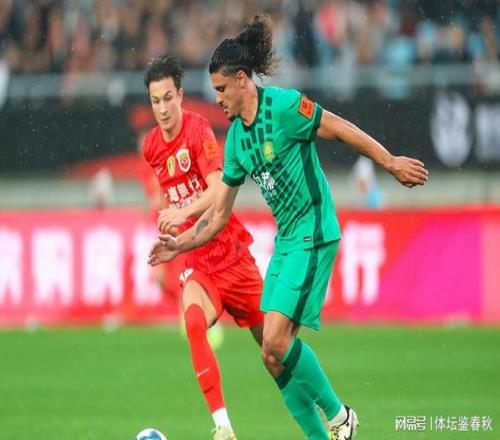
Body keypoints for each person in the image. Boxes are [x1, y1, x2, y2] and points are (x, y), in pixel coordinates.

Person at [148, 16, 428, 440]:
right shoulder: (237, 141)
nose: (217, 98)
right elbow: (219, 215)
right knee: (271, 356)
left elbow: (339, 127)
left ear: (242, 80)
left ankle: (340, 417)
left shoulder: (284, 108)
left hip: (314, 230)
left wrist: (389, 162)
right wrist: (179, 244)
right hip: (286, 241)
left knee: (277, 341)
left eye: (221, 89)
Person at [142, 55, 264, 440]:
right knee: (193, 323)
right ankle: (223, 428)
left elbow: (217, 190)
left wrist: (180, 212)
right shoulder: (151, 146)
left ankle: (332, 413)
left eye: (168, 98)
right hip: (197, 255)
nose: (163, 108)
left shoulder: (197, 130)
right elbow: (172, 190)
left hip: (229, 250)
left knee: (276, 350)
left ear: (180, 96)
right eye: (155, 101)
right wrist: (176, 236)